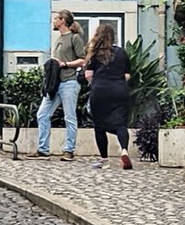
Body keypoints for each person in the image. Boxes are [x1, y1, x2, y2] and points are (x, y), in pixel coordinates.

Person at [35, 10, 87, 158]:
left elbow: (82, 60)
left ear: (63, 21)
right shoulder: (58, 39)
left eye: (56, 18)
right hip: (55, 83)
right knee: (42, 114)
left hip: (69, 82)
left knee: (69, 116)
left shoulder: (75, 38)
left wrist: (64, 64)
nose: (54, 21)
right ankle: (43, 149)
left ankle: (69, 150)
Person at [84, 24, 132, 170]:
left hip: (100, 91)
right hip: (119, 90)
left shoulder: (94, 54)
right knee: (121, 124)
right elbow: (127, 75)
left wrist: (95, 83)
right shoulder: (122, 52)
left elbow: (88, 75)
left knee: (99, 126)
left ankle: (104, 160)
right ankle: (124, 150)